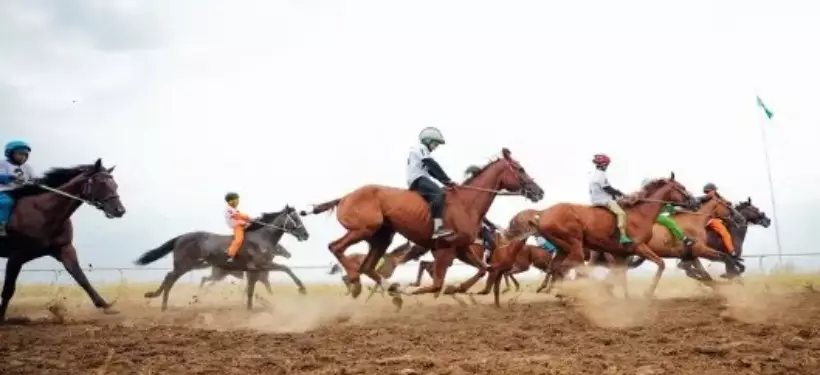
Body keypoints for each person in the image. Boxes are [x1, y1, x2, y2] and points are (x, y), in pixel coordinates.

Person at [407, 127, 456, 239]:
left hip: (419, 177)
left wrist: (446, 182)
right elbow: (431, 164)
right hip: (417, 178)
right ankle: (437, 229)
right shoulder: (420, 147)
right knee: (439, 194)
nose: (436, 147)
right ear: (428, 141)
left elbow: (430, 171)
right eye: (435, 144)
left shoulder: (420, 150)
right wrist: (447, 179)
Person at [640, 178, 695, 250]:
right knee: (670, 222)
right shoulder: (645, 195)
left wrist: (674, 208)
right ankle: (684, 239)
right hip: (651, 216)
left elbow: (663, 207)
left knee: (672, 211)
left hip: (657, 212)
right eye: (650, 185)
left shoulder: (655, 194)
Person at [589, 153, 631, 244]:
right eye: (607, 164)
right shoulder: (601, 175)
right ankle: (623, 236)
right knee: (622, 213)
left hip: (595, 200)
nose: (607, 166)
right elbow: (608, 189)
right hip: (604, 201)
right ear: (603, 165)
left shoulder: (594, 175)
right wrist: (621, 194)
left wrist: (618, 194)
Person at [0, 140, 36, 237]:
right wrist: (8, 178)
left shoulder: (27, 168)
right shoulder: (2, 164)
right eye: (20, 154)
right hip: (4, 191)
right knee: (6, 202)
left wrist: (36, 182)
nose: (23, 157)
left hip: (21, 191)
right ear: (10, 153)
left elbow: (33, 179)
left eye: (25, 155)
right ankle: (1, 225)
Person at [700, 183, 735, 256]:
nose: (714, 192)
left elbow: (726, 203)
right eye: (713, 190)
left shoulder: (713, 197)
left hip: (703, 219)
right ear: (712, 190)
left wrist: (727, 202)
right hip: (709, 220)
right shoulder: (712, 197)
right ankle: (731, 251)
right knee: (725, 233)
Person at [224, 192, 251, 263]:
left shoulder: (233, 209)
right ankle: (230, 254)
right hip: (237, 226)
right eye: (237, 200)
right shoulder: (229, 209)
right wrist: (247, 220)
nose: (238, 202)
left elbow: (241, 215)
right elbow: (237, 216)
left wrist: (249, 219)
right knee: (239, 240)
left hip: (241, 224)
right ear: (231, 201)